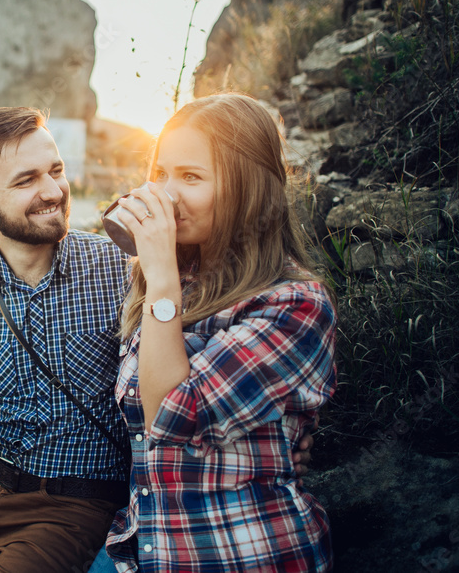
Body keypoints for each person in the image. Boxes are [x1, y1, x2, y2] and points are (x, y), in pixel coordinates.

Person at [0, 105, 316, 573]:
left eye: (56, 170)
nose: (52, 191)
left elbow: (203, 357)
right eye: (26, 181)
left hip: (73, 501)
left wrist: (285, 437)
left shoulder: (125, 269)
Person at [91, 93, 336, 572]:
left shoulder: (295, 304)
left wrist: (160, 279)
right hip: (143, 543)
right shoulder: (174, 281)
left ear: (247, 189)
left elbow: (169, 418)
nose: (168, 193)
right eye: (161, 173)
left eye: (191, 177)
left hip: (234, 550)